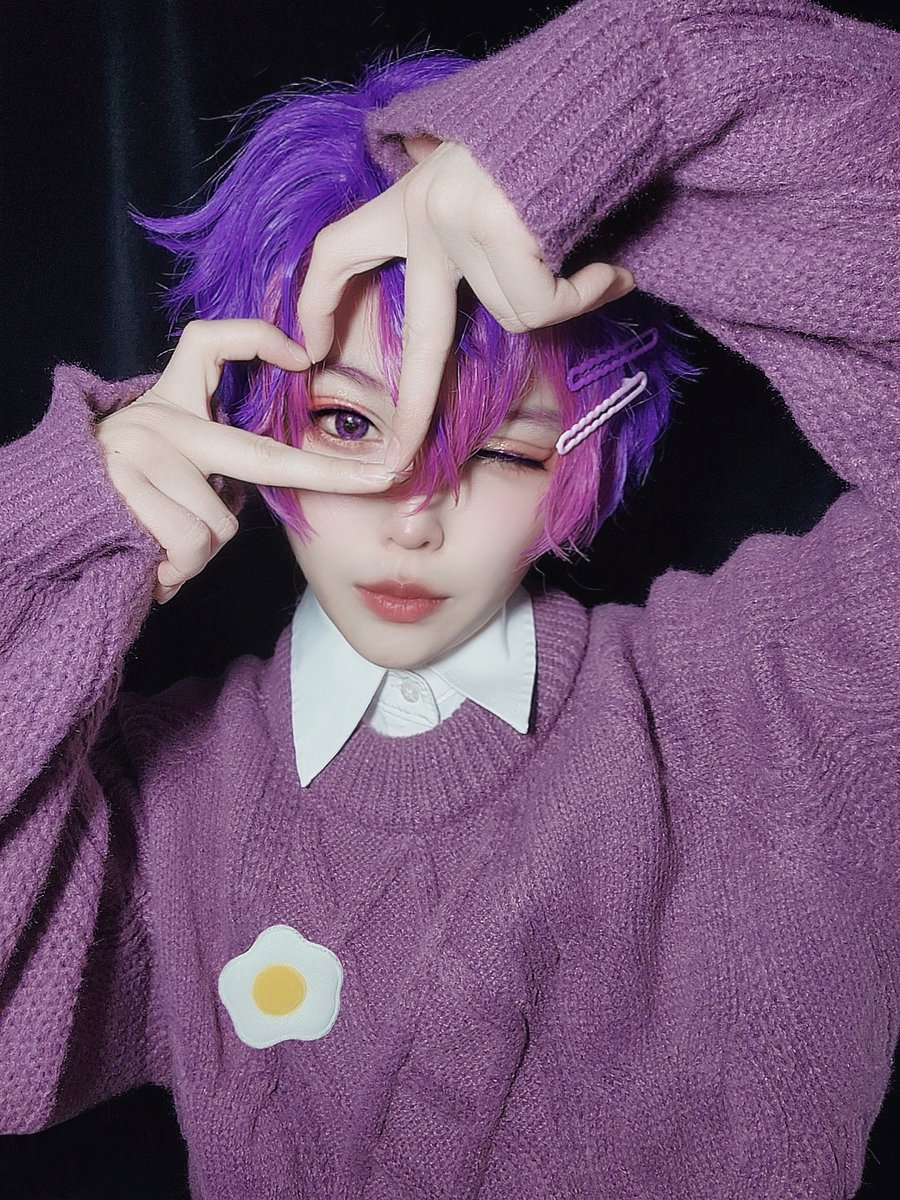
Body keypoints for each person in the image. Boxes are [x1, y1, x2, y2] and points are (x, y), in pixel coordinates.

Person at [0, 5, 897, 1200]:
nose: (413, 516)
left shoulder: (777, 702)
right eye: (348, 423)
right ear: (247, 414)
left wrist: (639, 97)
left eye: (502, 452)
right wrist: (43, 542)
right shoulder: (171, 812)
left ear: (588, 460)